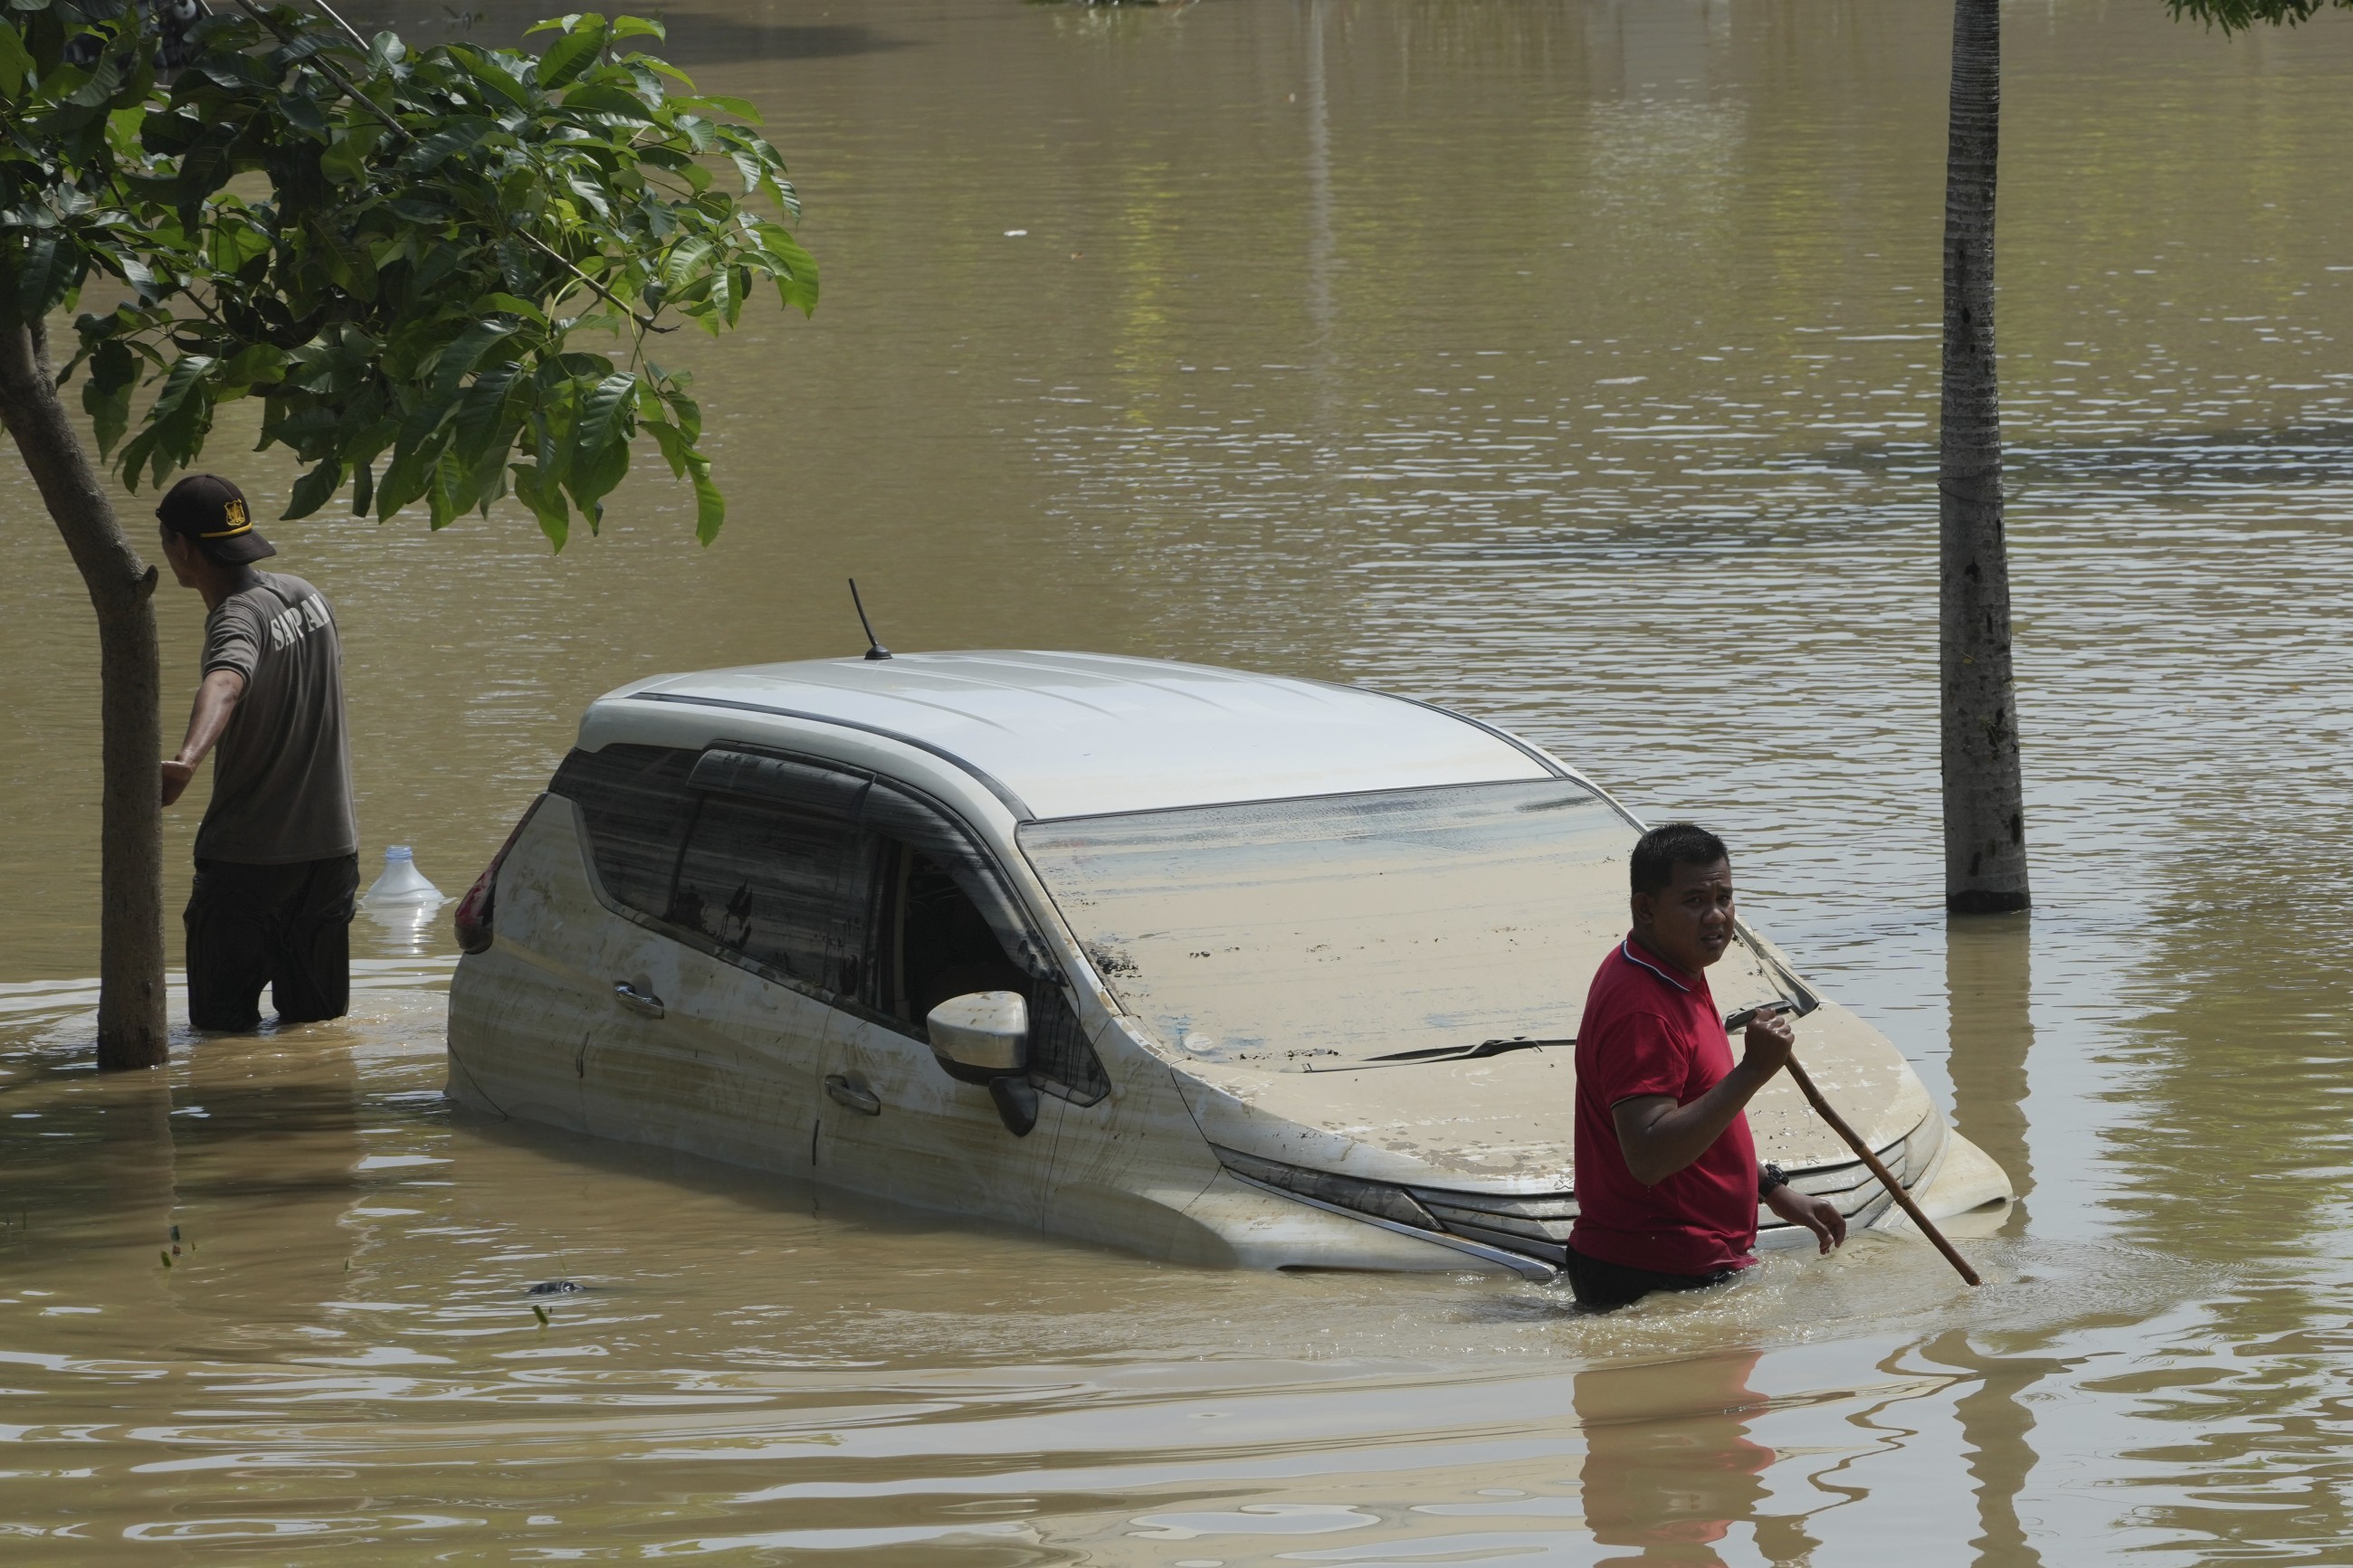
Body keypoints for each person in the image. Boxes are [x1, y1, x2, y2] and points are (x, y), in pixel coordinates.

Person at [1566, 822, 1846, 1310]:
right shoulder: (1643, 1009)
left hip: (1686, 1260)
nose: (1717, 916)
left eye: (1724, 897)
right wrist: (1752, 1071)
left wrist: (1773, 1190)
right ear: (1645, 909)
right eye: (1695, 900)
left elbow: (1695, 1109)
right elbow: (1648, 1157)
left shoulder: (1673, 969)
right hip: (1653, 1273)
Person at [156, 474, 359, 1031]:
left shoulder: (236, 616)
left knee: (219, 1036)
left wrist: (187, 760)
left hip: (248, 864)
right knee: (316, 1030)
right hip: (331, 856)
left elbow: (226, 680)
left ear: (182, 546)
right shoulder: (307, 594)